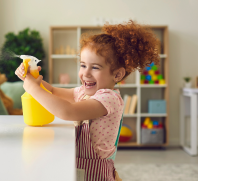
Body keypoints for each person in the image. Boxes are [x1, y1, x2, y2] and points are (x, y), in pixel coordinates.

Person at [15, 20, 161, 181]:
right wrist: (32, 78)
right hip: (80, 170)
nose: (86, 73)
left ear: (117, 75)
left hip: (96, 176)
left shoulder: (108, 98)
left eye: (95, 67)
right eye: (83, 65)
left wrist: (33, 88)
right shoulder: (85, 93)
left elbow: (67, 112)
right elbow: (54, 91)